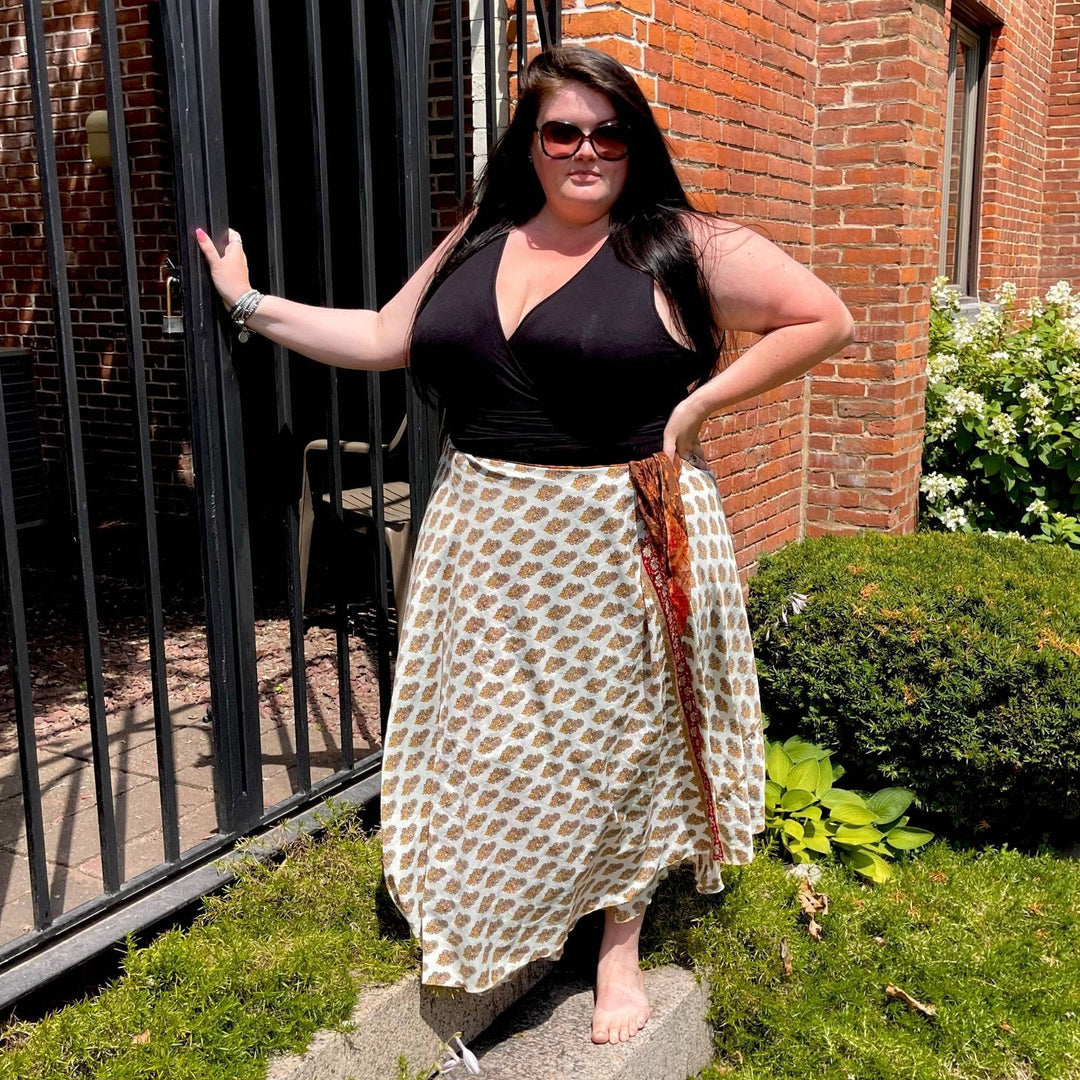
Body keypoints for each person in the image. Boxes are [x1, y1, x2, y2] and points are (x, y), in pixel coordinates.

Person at [196, 44, 854, 1046]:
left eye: (608, 131)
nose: (586, 150)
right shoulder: (480, 236)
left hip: (615, 532)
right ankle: (516, 902)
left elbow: (824, 316)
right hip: (486, 534)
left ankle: (617, 946)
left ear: (632, 143)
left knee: (619, 742)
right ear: (531, 145)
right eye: (563, 132)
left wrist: (699, 407)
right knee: (496, 736)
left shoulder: (675, 242)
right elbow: (382, 336)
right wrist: (248, 303)